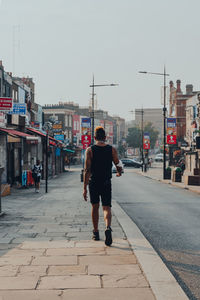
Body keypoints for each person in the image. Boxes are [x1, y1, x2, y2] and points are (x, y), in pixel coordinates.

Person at [83, 126, 122, 246]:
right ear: (105, 137)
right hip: (106, 182)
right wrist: (119, 172)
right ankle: (108, 227)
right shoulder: (111, 149)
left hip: (94, 182)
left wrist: (84, 188)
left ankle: (95, 232)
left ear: (94, 137)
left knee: (95, 207)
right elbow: (117, 163)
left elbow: (87, 170)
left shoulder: (90, 150)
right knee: (107, 207)